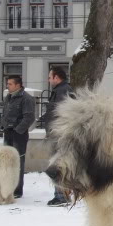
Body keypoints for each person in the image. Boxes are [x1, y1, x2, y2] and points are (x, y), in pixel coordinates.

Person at [42, 67, 74, 206]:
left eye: (50, 77)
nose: (48, 80)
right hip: (58, 132)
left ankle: (62, 196)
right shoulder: (61, 90)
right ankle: (61, 195)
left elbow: (61, 112)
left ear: (56, 77)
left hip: (60, 134)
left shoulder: (62, 90)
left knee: (59, 164)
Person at [1, 75, 35, 198]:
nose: (7, 86)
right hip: (8, 132)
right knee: (6, 162)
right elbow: (5, 113)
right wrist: (3, 125)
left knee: (17, 162)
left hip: (19, 135)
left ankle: (17, 190)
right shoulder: (8, 97)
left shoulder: (26, 98)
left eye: (10, 84)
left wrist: (18, 130)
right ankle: (8, 187)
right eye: (7, 83)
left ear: (17, 85)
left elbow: (29, 117)